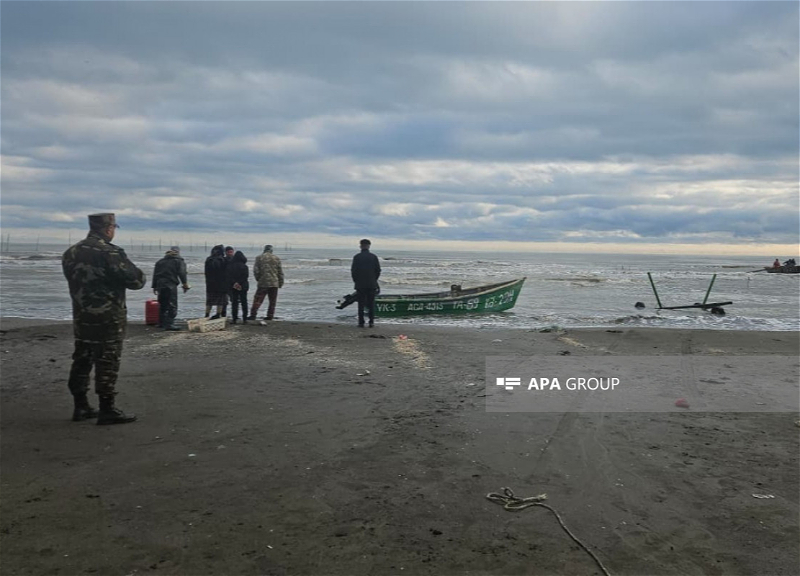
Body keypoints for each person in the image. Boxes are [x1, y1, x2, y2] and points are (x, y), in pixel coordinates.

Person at [62, 213, 145, 425]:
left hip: (82, 316)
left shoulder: (71, 252)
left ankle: (80, 405)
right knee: (107, 359)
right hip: (108, 317)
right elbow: (136, 281)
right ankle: (107, 408)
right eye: (114, 227)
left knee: (82, 358)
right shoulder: (110, 252)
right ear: (108, 228)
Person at [152, 246, 190, 331]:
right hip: (170, 284)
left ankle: (161, 323)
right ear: (178, 252)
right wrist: (185, 284)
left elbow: (155, 274)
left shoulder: (160, 261)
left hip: (160, 284)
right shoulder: (179, 261)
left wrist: (154, 286)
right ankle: (169, 323)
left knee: (162, 304)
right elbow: (182, 273)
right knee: (172, 304)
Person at [351, 238, 381, 328]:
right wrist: (374, 280)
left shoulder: (357, 257)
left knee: (361, 304)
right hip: (371, 284)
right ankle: (371, 322)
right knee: (371, 304)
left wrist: (356, 281)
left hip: (360, 284)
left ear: (360, 246)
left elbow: (353, 271)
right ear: (369, 246)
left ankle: (361, 322)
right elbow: (378, 270)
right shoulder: (373, 257)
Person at [250, 244, 284, 322]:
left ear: (264, 249)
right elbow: (280, 272)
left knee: (258, 299)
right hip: (274, 283)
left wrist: (259, 279)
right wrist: (280, 282)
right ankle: (270, 316)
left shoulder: (259, 258)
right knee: (272, 301)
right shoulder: (276, 258)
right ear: (271, 250)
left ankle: (253, 314)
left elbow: (256, 271)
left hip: (263, 282)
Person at [226, 250, 250, 324]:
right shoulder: (244, 266)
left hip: (233, 286)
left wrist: (235, 283)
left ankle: (234, 319)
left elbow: (229, 276)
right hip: (243, 286)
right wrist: (239, 283)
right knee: (244, 302)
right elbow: (245, 276)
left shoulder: (230, 266)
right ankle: (245, 319)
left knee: (234, 302)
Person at [204, 244, 228, 318]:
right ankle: (218, 314)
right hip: (221, 284)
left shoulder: (208, 259)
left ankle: (207, 314)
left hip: (210, 284)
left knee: (209, 301)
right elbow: (226, 272)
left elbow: (206, 272)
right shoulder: (223, 260)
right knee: (220, 301)